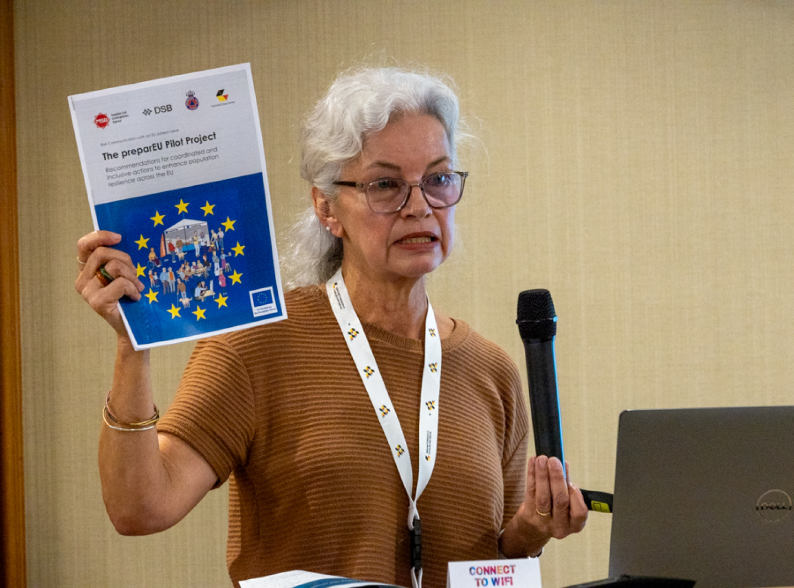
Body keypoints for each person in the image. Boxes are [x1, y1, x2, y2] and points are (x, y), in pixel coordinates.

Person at [74, 66, 587, 588]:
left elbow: (490, 559)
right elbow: (140, 509)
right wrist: (132, 341)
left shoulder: (491, 370)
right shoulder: (255, 343)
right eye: (386, 185)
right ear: (326, 207)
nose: (418, 207)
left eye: (438, 179)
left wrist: (528, 532)